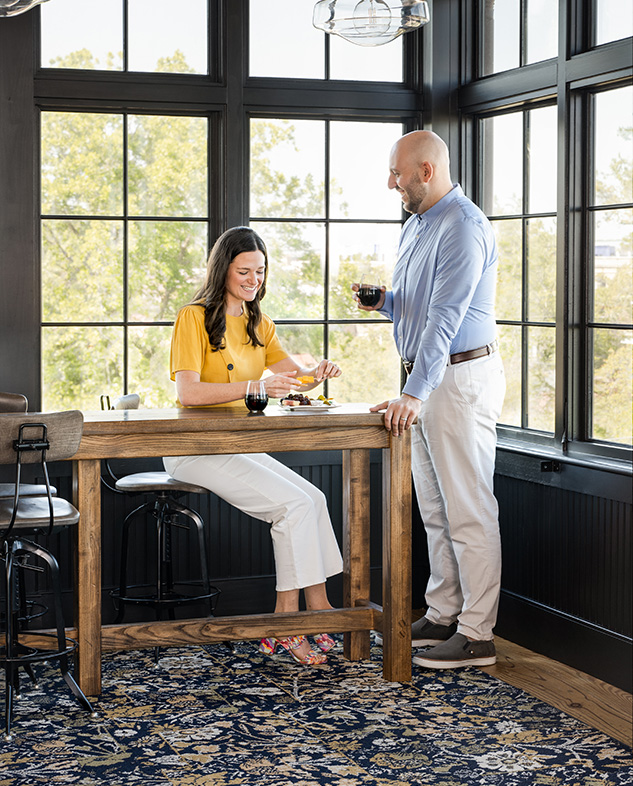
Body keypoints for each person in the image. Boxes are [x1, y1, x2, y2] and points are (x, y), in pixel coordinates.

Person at [354, 130, 506, 669]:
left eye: (397, 173)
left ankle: (477, 634)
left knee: (468, 509)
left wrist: (413, 393)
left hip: (459, 380)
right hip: (428, 377)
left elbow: (445, 319)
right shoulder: (418, 224)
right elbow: (420, 306)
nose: (390, 183)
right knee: (436, 511)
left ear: (426, 171)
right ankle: (443, 613)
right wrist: (387, 302)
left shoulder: (463, 226)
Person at [164, 226, 343, 666]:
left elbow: (292, 376)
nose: (253, 279)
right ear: (223, 269)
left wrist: (317, 372)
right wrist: (255, 387)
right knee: (292, 506)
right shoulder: (193, 317)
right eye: (244, 271)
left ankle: (318, 607)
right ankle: (285, 623)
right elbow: (189, 393)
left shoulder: (259, 323)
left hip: (238, 445)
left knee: (314, 499)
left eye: (260, 271)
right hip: (194, 449)